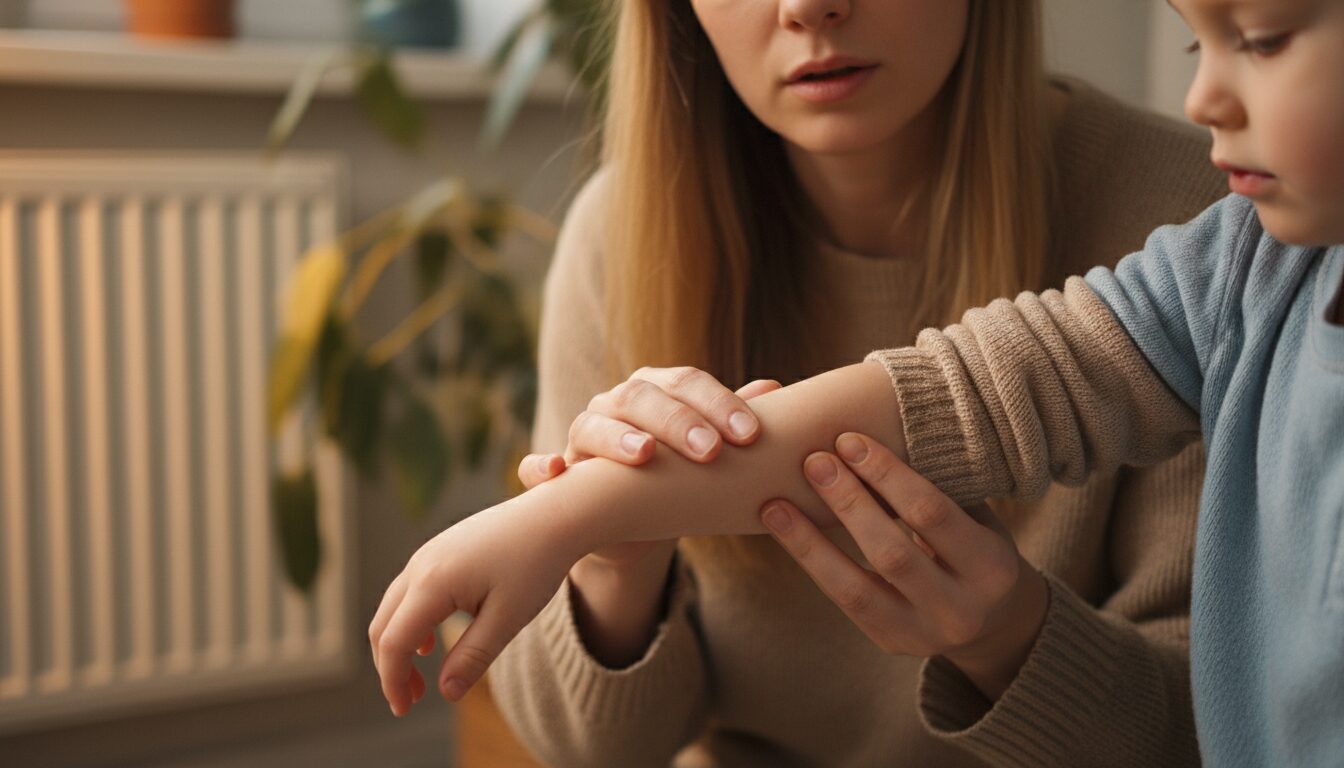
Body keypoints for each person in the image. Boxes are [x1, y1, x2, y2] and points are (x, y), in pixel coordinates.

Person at [369, 0, 1344, 763]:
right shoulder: (620, 239)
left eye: (1257, 40)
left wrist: (1010, 640)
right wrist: (606, 552)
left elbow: (1218, 736)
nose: (810, 6)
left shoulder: (1223, 229)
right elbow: (594, 752)